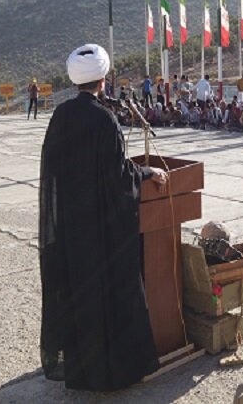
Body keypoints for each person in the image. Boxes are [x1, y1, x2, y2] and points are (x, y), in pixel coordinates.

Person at [39, 43, 168, 391]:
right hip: (101, 231)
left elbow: (57, 173)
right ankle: (115, 373)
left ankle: (82, 372)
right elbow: (116, 177)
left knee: (81, 299)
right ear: (104, 80)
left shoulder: (60, 116)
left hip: (71, 228)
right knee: (111, 295)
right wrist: (146, 173)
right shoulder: (105, 119)